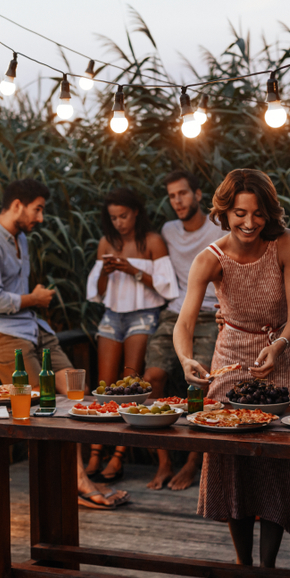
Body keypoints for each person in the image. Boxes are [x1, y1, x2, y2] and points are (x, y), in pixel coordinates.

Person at [175, 169, 290, 578]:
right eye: (239, 213)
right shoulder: (209, 258)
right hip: (230, 359)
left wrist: (280, 346)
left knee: (276, 465)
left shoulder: (286, 244)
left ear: (269, 212)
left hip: (280, 355)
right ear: (224, 211)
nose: (249, 223)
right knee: (233, 463)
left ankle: (268, 572)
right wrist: (185, 359)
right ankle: (243, 566)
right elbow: (184, 323)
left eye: (257, 213)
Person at [0, 178, 128, 510]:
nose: (40, 218)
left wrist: (32, 304)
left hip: (33, 329)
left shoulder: (19, 238)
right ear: (17, 205)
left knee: (77, 393)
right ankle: (78, 483)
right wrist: (34, 297)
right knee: (44, 406)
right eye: (37, 209)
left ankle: (75, 476)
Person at [84, 187, 177, 482]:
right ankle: (96, 453)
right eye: (113, 217)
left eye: (123, 216)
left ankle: (119, 457)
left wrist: (131, 269)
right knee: (103, 389)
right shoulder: (105, 242)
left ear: (136, 212)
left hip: (143, 316)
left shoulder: (152, 241)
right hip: (112, 316)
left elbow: (166, 288)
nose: (118, 223)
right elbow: (96, 294)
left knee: (130, 386)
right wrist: (106, 272)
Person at [143, 170, 225, 490]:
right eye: (172, 195)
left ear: (199, 195)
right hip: (176, 315)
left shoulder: (218, 227)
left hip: (209, 315)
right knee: (152, 379)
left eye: (183, 194)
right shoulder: (167, 230)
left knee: (203, 382)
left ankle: (194, 462)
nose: (177, 201)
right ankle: (164, 463)